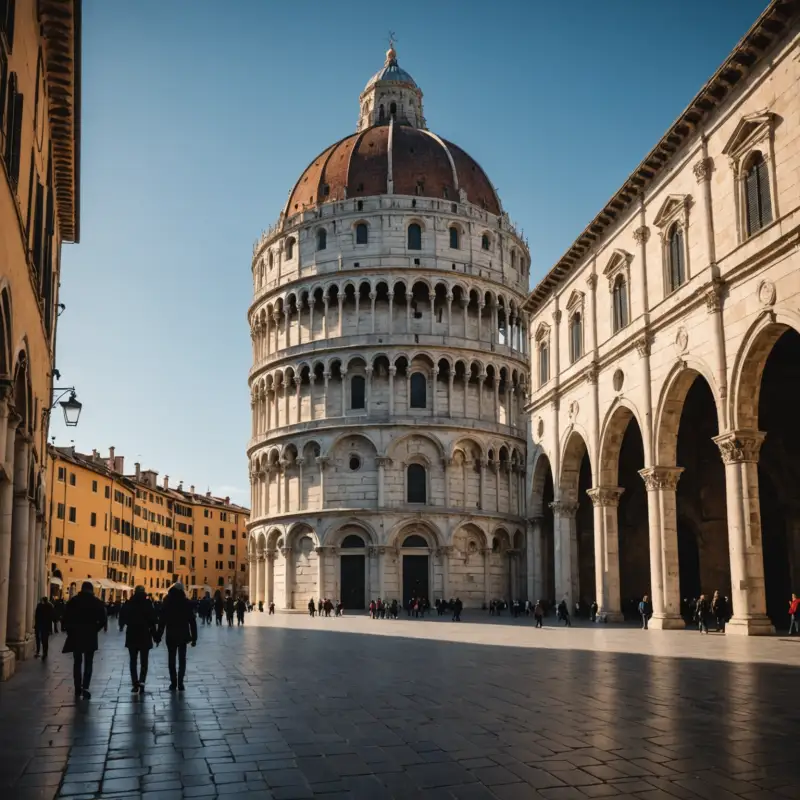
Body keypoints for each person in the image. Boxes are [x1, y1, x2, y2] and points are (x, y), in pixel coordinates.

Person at [61, 581, 107, 699]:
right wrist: (95, 629)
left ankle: (77, 687)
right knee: (89, 662)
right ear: (91, 590)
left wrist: (70, 630)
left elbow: (65, 618)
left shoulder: (74, 601)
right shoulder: (96, 602)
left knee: (77, 662)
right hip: (90, 635)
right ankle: (85, 686)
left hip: (76, 635)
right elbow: (103, 619)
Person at [156, 582, 197, 691]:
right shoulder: (186, 602)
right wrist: (194, 637)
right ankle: (181, 683)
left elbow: (162, 621)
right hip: (183, 634)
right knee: (182, 659)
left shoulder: (167, 601)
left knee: (171, 659)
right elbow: (192, 621)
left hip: (171, 634)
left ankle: (173, 683)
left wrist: (158, 636)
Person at [119, 585, 158, 694]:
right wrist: (156, 637)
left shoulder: (129, 603)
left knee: (133, 661)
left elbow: (123, 617)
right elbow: (152, 621)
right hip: (145, 634)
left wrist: (127, 624)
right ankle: (142, 682)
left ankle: (135, 683)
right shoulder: (148, 603)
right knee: (144, 661)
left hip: (132, 634)